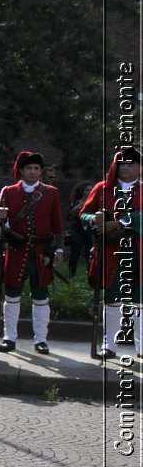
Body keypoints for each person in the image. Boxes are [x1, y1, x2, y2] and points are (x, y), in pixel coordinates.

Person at [0, 150, 65, 354]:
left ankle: (41, 339)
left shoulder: (51, 192)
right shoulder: (8, 191)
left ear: (41, 171)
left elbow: (57, 224)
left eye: (36, 168)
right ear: (21, 171)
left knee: (41, 297)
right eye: (28, 168)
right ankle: (9, 337)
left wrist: (59, 248)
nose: (33, 172)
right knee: (12, 296)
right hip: (16, 251)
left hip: (42, 252)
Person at [82, 147, 139, 359]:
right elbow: (83, 215)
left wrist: (117, 223)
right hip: (111, 251)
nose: (126, 167)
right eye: (123, 163)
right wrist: (93, 219)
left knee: (140, 302)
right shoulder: (102, 188)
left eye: (131, 163)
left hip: (138, 250)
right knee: (112, 300)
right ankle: (110, 346)